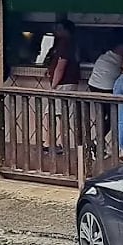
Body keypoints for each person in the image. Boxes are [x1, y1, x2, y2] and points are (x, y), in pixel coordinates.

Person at [44, 19, 80, 154]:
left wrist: (54, 84)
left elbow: (61, 66)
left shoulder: (65, 44)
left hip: (63, 83)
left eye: (59, 28)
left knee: (57, 114)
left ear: (66, 30)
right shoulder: (69, 43)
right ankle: (53, 143)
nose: (56, 31)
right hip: (67, 82)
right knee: (55, 113)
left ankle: (58, 144)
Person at [88, 30, 123, 139]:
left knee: (104, 115)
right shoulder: (119, 59)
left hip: (93, 85)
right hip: (105, 88)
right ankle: (97, 142)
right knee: (112, 117)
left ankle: (97, 142)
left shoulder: (104, 56)